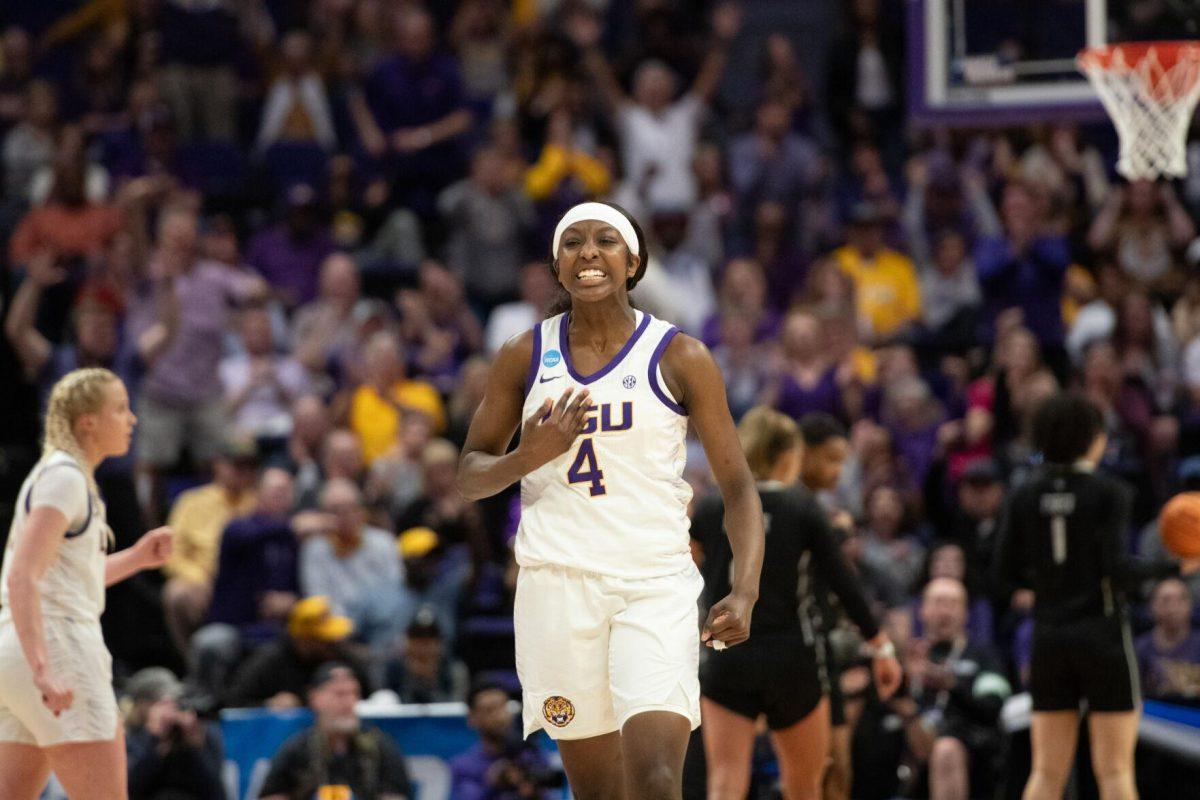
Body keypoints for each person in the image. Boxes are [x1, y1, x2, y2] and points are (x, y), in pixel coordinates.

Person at [457, 201, 765, 799]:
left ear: (634, 262)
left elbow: (739, 488)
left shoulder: (681, 356)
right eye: (573, 243)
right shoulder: (523, 355)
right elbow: (470, 476)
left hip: (653, 583)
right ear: (556, 263)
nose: (589, 253)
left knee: (654, 779)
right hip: (555, 588)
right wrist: (531, 453)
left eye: (605, 241)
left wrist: (746, 587)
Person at [995, 393, 1199, 800]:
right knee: (1115, 771)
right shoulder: (1110, 491)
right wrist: (1177, 567)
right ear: (1093, 437)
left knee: (1046, 771)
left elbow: (1002, 573)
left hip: (1049, 634)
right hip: (1101, 635)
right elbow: (1119, 571)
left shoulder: (1023, 493)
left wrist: (1046, 588)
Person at [692, 407, 900, 800]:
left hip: (726, 654)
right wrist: (881, 646)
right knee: (804, 786)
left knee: (723, 785)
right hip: (791, 656)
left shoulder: (708, 506)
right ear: (788, 454)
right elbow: (845, 585)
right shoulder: (802, 508)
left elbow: (684, 566)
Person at [0, 367, 174, 799]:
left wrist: (136, 558)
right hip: (57, 646)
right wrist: (44, 669)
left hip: (13, 650)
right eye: (120, 408)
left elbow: (69, 580)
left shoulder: (58, 474)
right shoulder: (66, 478)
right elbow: (22, 574)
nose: (131, 419)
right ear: (88, 422)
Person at [895, 577, 1009, 800]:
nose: (945, 611)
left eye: (953, 603)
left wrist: (951, 685)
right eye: (938, 602)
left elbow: (992, 709)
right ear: (923, 610)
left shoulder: (983, 658)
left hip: (964, 750)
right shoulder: (906, 657)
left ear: (966, 613)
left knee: (946, 749)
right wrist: (904, 680)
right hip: (905, 748)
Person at [258, 662, 412, 800]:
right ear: (315, 698)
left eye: (354, 694)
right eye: (339, 694)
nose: (348, 702)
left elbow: (395, 795)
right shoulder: (296, 750)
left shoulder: (380, 748)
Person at [123, 667, 225, 800]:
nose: (171, 710)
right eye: (162, 704)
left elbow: (217, 793)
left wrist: (194, 746)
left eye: (175, 702)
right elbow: (128, 789)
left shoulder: (202, 733)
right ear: (141, 705)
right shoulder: (132, 737)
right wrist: (153, 739)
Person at [450, 681, 559, 800]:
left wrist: (532, 792)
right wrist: (492, 783)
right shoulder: (464, 766)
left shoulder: (531, 754)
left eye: (503, 707)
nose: (500, 717)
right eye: (489, 710)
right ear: (472, 718)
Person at [1135, 577, 1200, 701]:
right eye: (1166, 600)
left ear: (1191, 605)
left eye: (1181, 599)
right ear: (1152, 606)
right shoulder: (1139, 648)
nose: (1173, 607)